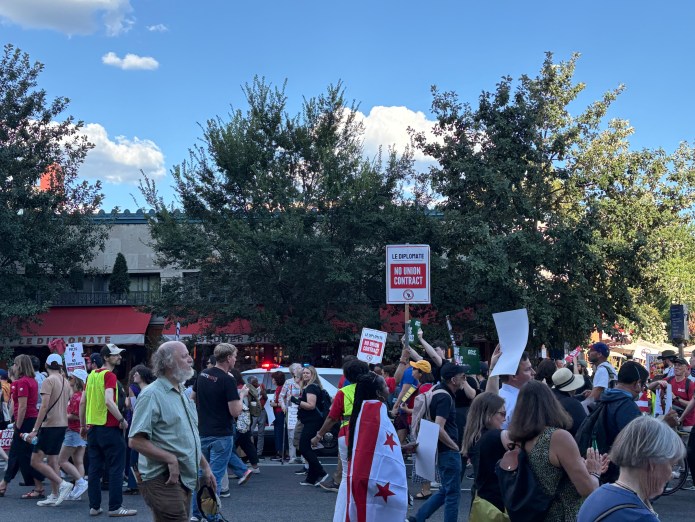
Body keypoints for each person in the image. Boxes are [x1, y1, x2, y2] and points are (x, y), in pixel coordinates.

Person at [129, 341, 216, 522]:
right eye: (184, 356)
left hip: (183, 478)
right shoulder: (151, 394)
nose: (190, 359)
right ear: (168, 362)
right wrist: (169, 458)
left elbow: (188, 436)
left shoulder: (182, 391)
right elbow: (135, 440)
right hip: (162, 478)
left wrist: (205, 467)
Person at [509, 380, 606, 521]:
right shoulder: (558, 438)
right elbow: (587, 489)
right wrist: (594, 472)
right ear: (551, 404)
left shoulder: (516, 439)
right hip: (562, 516)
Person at [578, 416, 686, 522]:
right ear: (653, 463)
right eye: (672, 465)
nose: (671, 475)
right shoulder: (639, 516)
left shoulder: (597, 496)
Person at [79, 343, 137, 517]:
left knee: (94, 470)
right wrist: (121, 419)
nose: (119, 357)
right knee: (115, 469)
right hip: (110, 428)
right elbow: (108, 401)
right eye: (115, 355)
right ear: (106, 357)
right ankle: (115, 507)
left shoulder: (90, 377)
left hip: (93, 429)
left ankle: (94, 506)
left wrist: (83, 425)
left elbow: (83, 402)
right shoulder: (109, 376)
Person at [189, 343, 245, 522]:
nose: (236, 359)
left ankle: (196, 515)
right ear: (228, 358)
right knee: (215, 476)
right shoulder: (228, 379)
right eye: (235, 356)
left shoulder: (203, 375)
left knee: (201, 476)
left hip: (203, 430)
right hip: (221, 433)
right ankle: (211, 516)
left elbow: (192, 398)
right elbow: (235, 412)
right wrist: (241, 395)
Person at [345, 372, 407, 521]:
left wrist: (402, 448)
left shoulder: (369, 410)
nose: (389, 388)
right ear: (379, 393)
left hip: (364, 478)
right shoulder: (374, 412)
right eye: (385, 385)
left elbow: (378, 446)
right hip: (371, 480)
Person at [408, 363, 466, 522]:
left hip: (441, 450)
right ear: (453, 380)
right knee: (453, 494)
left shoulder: (436, 390)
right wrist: (454, 446)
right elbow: (438, 427)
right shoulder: (445, 397)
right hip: (448, 451)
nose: (464, 380)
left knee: (446, 490)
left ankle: (417, 518)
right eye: (463, 377)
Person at [311, 359, 369, 507]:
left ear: (347, 376)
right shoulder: (374, 388)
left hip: (348, 432)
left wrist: (319, 435)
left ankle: (347, 505)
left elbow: (332, 418)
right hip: (369, 430)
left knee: (346, 471)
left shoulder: (344, 392)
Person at [29, 353, 73, 506]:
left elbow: (44, 405)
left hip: (50, 424)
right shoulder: (66, 381)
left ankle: (62, 484)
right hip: (62, 423)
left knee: (35, 461)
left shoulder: (48, 381)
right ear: (60, 365)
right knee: (53, 460)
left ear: (46, 365)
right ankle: (54, 494)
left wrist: (35, 427)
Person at [0, 354, 44, 498]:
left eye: (15, 364)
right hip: (30, 419)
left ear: (20, 366)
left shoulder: (22, 383)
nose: (13, 366)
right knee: (20, 454)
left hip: (24, 421)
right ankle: (4, 484)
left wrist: (17, 426)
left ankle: (38, 487)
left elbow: (22, 406)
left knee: (22, 454)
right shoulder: (32, 381)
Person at [462, 392, 509, 516]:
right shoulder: (493, 436)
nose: (505, 418)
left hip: (481, 497)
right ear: (488, 414)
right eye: (502, 414)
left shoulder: (475, 436)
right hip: (494, 501)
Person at [291, 365, 328, 486]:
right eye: (304, 373)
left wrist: (296, 401)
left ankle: (321, 472)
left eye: (308, 373)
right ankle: (311, 478)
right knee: (308, 448)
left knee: (304, 447)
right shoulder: (310, 386)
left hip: (312, 421)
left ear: (313, 375)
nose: (305, 375)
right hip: (311, 420)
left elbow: (311, 405)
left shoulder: (311, 387)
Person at [485, 347, 535, 429]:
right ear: (514, 376)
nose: (533, 372)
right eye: (528, 369)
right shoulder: (516, 403)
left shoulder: (523, 396)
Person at [125, 364, 155, 495]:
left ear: (142, 375)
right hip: (149, 427)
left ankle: (135, 484)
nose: (134, 375)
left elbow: (133, 407)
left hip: (137, 426)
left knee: (134, 457)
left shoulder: (134, 389)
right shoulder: (152, 389)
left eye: (137, 373)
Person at [59, 368, 89, 501]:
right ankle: (78, 489)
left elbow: (76, 415)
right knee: (78, 461)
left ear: (76, 380)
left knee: (62, 460)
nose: (69, 380)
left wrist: (64, 416)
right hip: (80, 431)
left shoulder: (77, 397)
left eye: (71, 378)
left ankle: (80, 483)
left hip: (73, 431)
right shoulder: (82, 395)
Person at [391, 359, 431, 444]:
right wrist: (399, 406)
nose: (412, 370)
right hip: (411, 422)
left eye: (414, 368)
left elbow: (424, 409)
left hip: (418, 425)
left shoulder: (425, 387)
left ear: (421, 373)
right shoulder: (417, 385)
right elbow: (405, 397)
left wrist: (406, 409)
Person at [550, 368, 587, 436]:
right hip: (570, 443)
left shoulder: (549, 399)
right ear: (573, 388)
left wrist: (581, 396)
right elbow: (584, 429)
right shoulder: (573, 404)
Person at [278, 362, 303, 463]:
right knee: (291, 434)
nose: (301, 369)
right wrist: (283, 406)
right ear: (294, 371)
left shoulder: (304, 381)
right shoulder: (288, 382)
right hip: (291, 410)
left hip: (302, 409)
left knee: (302, 433)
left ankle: (303, 456)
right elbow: (281, 396)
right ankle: (293, 456)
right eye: (299, 367)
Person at [246, 376, 267, 459]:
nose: (256, 383)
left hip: (261, 410)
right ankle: (251, 452)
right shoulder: (247, 388)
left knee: (261, 433)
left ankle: (259, 452)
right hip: (253, 411)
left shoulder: (261, 386)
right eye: (254, 382)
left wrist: (262, 392)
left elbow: (266, 397)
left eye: (257, 381)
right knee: (250, 432)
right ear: (250, 382)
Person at [269, 371, 286, 461]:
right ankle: (281, 452)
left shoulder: (280, 388)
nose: (272, 380)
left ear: (276, 380)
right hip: (278, 412)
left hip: (279, 412)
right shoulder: (279, 388)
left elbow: (283, 402)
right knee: (279, 432)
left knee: (279, 432)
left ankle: (280, 453)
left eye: (273, 378)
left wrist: (274, 404)